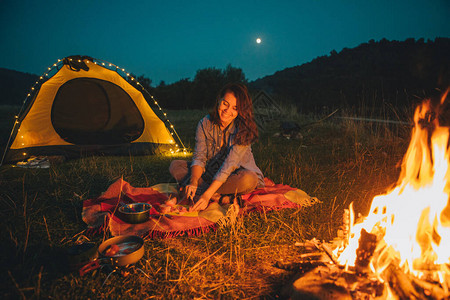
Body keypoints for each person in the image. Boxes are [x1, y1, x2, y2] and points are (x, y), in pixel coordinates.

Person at [169, 82, 265, 211]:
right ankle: (220, 197)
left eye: (234, 108)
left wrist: (206, 195)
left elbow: (228, 167)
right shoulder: (205, 123)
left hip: (236, 175)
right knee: (175, 166)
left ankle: (205, 193)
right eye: (225, 103)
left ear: (240, 111)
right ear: (219, 100)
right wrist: (193, 181)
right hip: (212, 172)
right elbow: (199, 156)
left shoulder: (243, 129)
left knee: (249, 179)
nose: (227, 111)